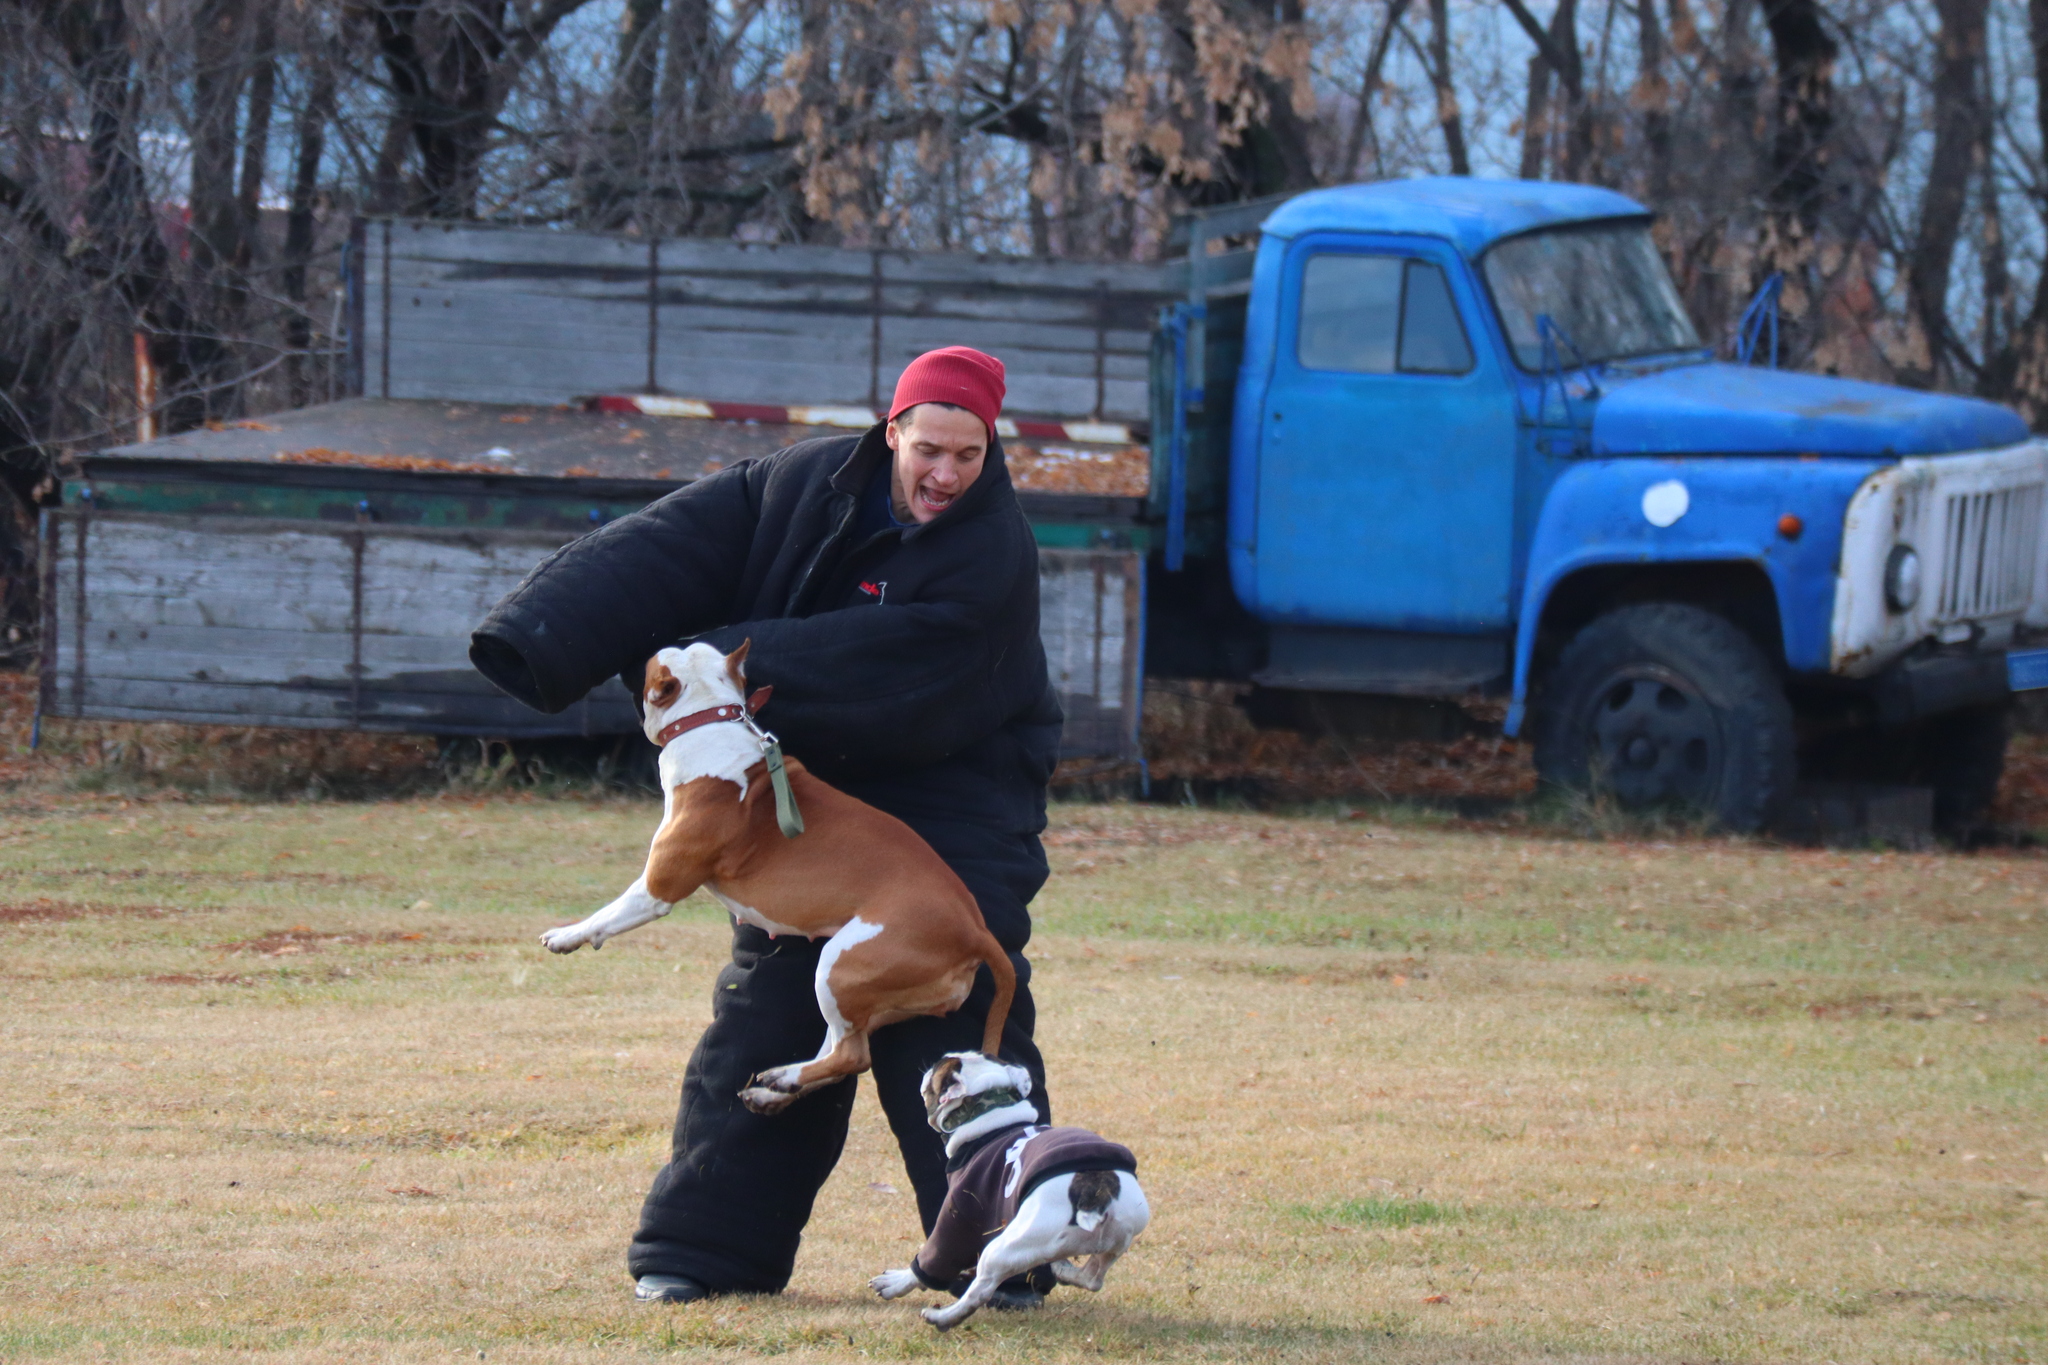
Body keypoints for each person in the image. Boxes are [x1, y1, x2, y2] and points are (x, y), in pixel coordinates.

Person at [469, 345, 1062, 1305]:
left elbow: (906, 662)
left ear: (990, 450)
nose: (947, 475)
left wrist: (722, 659)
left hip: (959, 796)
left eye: (970, 455)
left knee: (940, 1016)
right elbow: (676, 544)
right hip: (813, 795)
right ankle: (703, 1256)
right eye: (931, 451)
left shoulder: (994, 551)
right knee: (769, 1002)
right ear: (893, 430)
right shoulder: (801, 483)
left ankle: (1009, 1257)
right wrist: (541, 636)